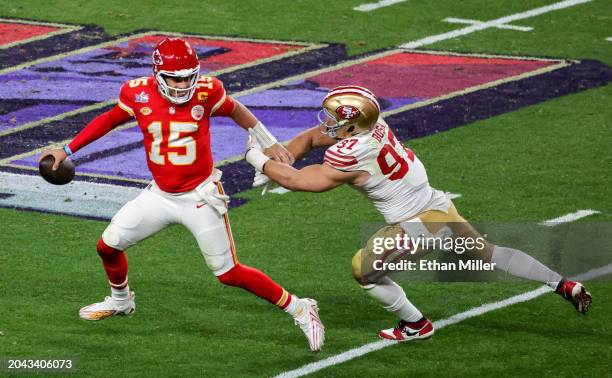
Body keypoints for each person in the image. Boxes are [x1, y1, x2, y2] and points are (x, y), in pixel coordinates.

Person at [39, 37, 324, 351]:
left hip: (199, 196)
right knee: (107, 247)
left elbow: (235, 109)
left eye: (190, 76)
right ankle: (121, 301)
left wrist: (266, 139)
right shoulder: (136, 93)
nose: (184, 84)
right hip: (160, 195)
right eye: (176, 78)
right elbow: (108, 120)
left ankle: (300, 307)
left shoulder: (207, 91)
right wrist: (66, 149)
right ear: (158, 74)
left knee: (228, 273)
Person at [245, 85, 592, 342]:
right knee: (490, 254)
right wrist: (280, 157)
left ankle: (415, 324)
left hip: (421, 223)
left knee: (363, 271)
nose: (328, 123)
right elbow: (307, 139)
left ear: (352, 126)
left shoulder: (352, 151)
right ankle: (563, 284)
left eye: (335, 119)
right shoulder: (371, 128)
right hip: (435, 204)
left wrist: (258, 160)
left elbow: (303, 182)